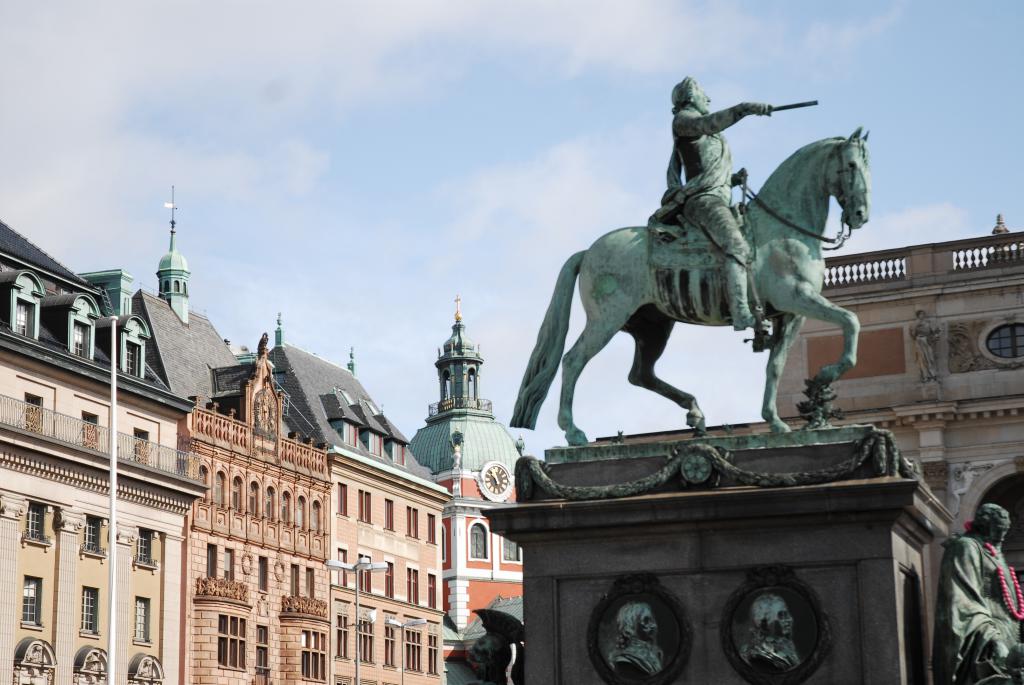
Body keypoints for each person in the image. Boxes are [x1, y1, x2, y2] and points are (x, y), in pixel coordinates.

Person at [649, 76, 772, 331]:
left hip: (717, 198)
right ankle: (740, 313)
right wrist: (744, 108)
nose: (709, 99)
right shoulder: (684, 120)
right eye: (704, 95)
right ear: (691, 97)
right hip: (702, 202)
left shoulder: (705, 132)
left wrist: (732, 179)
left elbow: (706, 170)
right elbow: (710, 123)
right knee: (737, 245)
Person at [933, 503, 1024, 684]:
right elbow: (962, 601)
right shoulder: (966, 547)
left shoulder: (994, 551)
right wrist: (991, 638)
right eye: (998, 530)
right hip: (985, 640)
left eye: (1005, 531)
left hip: (1009, 637)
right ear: (984, 526)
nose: (1002, 537)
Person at [740, 592, 801, 672]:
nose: (789, 619)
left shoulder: (784, 649)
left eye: (787, 614)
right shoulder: (758, 657)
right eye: (781, 615)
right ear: (764, 621)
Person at [608, 601, 664, 676]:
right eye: (646, 621)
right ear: (629, 628)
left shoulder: (657, 654)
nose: (653, 625)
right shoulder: (624, 662)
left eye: (652, 620)